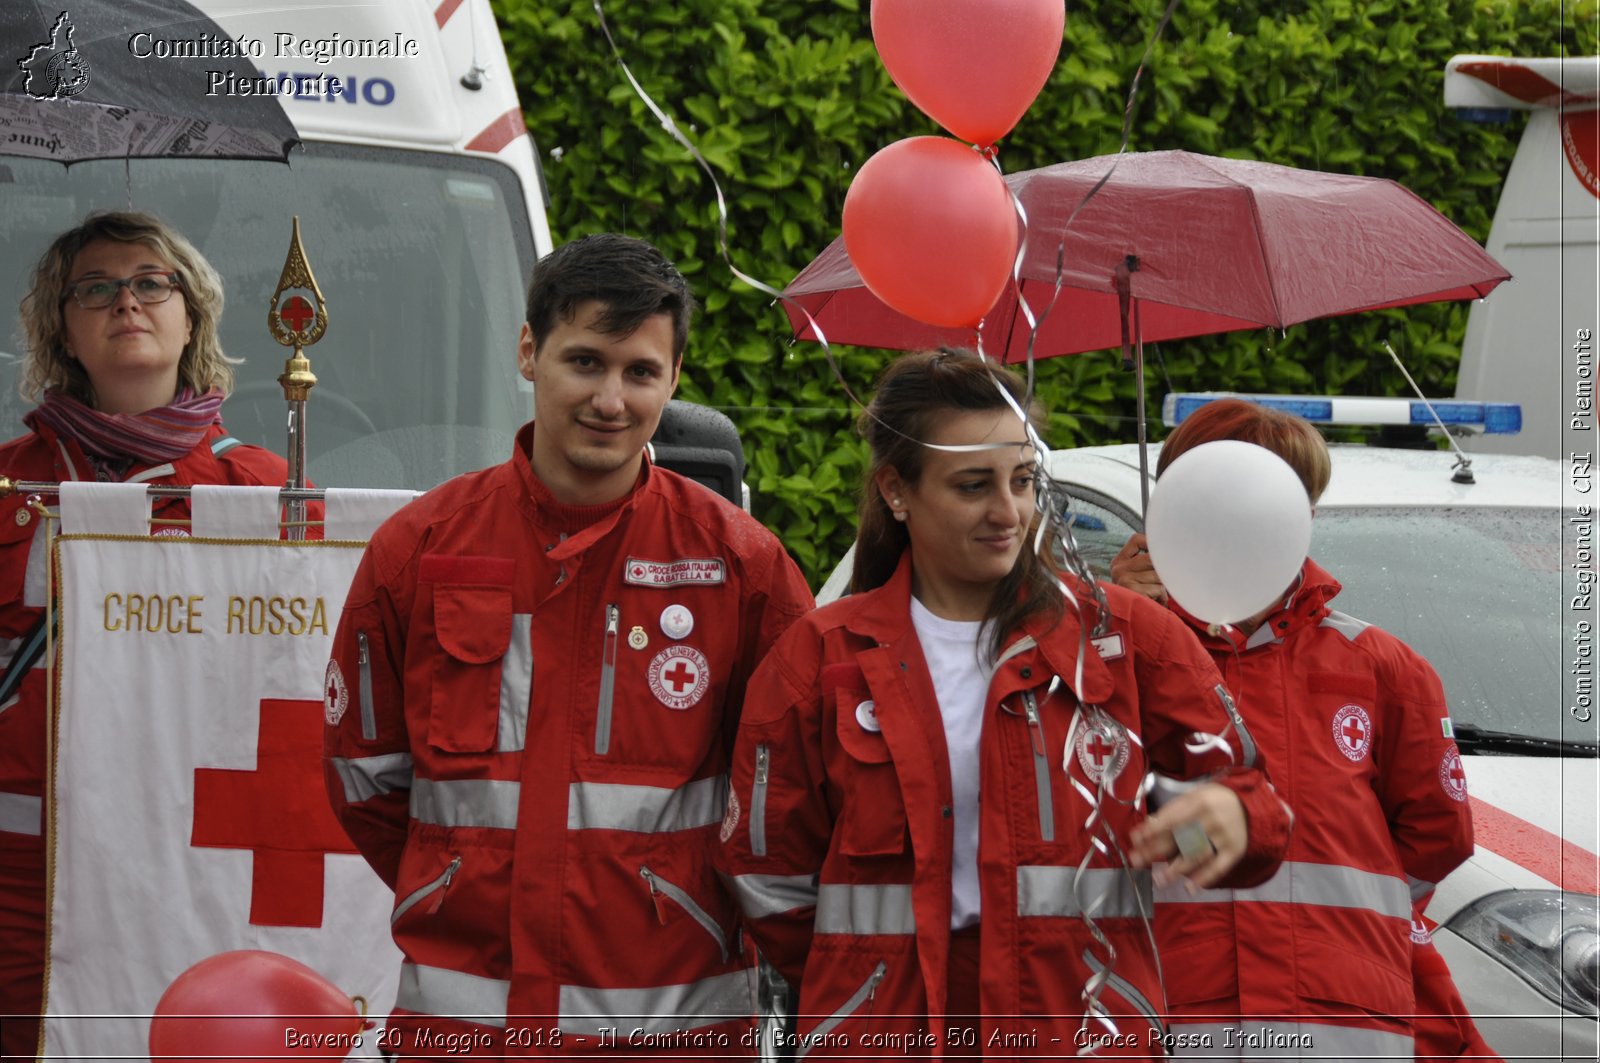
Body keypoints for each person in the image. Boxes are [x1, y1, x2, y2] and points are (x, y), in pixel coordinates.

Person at [715, 350, 1293, 1058]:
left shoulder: (1127, 639)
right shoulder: (820, 657)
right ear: (897, 491)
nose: (1008, 511)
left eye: (1023, 480)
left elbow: (1255, 816)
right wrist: (865, 981)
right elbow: (767, 877)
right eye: (972, 485)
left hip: (1076, 1036)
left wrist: (1219, 825)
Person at [322, 233, 814, 1057]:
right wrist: (458, 876)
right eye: (585, 362)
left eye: (640, 371)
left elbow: (790, 796)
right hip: (464, 1033)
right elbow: (361, 775)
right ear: (529, 352)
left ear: (675, 378)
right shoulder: (419, 549)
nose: (611, 399)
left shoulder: (741, 565)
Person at [1110, 398, 1493, 1060]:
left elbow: (1436, 838)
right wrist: (1116, 628)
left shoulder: (1382, 668)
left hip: (1342, 1021)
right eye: (1217, 502)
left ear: (1307, 515)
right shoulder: (1110, 651)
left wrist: (1326, 918)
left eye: (1277, 502)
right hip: (1169, 1008)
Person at [0, 211, 298, 1058]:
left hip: (184, 850)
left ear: (191, 313)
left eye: (150, 282)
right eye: (93, 288)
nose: (124, 301)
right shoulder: (8, 480)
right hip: (23, 863)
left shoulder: (262, 487)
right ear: (62, 327)